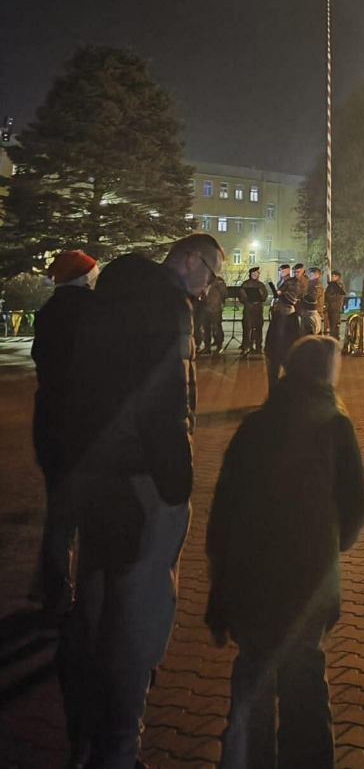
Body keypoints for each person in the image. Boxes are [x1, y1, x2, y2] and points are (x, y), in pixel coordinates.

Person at [63, 233, 224, 769]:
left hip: (97, 473)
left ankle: (88, 737)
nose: (210, 286)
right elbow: (167, 399)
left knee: (96, 603)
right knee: (142, 613)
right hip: (144, 477)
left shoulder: (108, 301)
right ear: (189, 260)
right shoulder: (167, 307)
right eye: (211, 272)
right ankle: (119, 748)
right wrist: (176, 486)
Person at [206, 336, 364, 769]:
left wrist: (219, 591)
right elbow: (356, 506)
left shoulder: (254, 426)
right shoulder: (335, 425)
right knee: (304, 685)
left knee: (253, 680)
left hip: (251, 579)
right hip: (307, 581)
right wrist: (331, 547)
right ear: (324, 373)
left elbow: (223, 513)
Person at [30, 250, 99, 617]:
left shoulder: (48, 312)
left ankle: (52, 589)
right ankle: (75, 596)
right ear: (85, 276)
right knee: (87, 514)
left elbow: (42, 361)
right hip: (85, 426)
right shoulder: (96, 310)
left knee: (58, 512)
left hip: (50, 423)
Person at [265, 263, 303, 391]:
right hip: (276, 351)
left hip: (287, 348)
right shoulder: (277, 317)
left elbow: (292, 298)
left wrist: (281, 294)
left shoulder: (293, 282)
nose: (282, 272)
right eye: (280, 271)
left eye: (284, 270)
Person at [239, 266, 268, 357]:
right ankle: (247, 346)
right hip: (248, 309)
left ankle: (258, 346)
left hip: (258, 309)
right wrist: (247, 300)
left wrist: (260, 295)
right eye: (254, 273)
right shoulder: (245, 284)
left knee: (258, 327)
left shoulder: (261, 285)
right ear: (251, 274)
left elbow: (264, 297)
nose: (256, 275)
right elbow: (241, 296)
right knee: (247, 328)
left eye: (257, 273)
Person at [302, 265, 325, 335]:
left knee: (314, 330)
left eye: (312, 274)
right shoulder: (311, 283)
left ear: (317, 275)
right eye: (310, 274)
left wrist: (304, 298)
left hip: (315, 310)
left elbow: (313, 297)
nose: (310, 275)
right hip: (311, 310)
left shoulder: (317, 285)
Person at [325, 271, 347, 340]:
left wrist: (329, 297)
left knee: (334, 325)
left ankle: (334, 339)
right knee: (332, 325)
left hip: (335, 308)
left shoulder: (339, 285)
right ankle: (333, 338)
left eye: (334, 276)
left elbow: (338, 297)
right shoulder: (331, 285)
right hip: (330, 307)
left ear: (338, 277)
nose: (333, 277)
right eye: (332, 276)